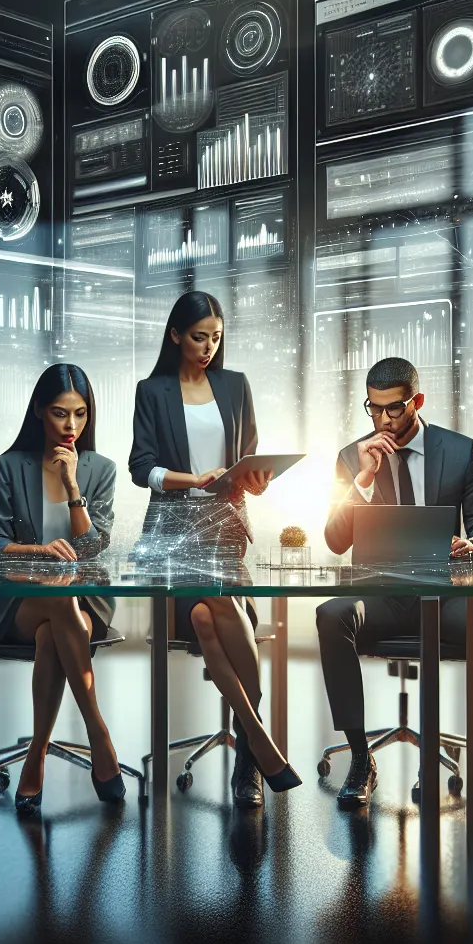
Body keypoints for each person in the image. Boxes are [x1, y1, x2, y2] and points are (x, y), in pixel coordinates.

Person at [128, 290, 298, 805]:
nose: (208, 347)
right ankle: (258, 746)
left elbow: (247, 459)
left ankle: (251, 750)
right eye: (199, 337)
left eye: (217, 337)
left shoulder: (234, 385)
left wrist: (256, 478)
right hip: (172, 538)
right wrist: (190, 479)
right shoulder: (152, 390)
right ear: (175, 335)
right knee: (211, 606)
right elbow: (142, 468)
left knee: (205, 618)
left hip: (226, 531)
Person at [316, 357, 473, 809]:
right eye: (374, 408)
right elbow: (336, 539)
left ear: (417, 402)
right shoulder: (352, 457)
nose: (384, 418)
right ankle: (361, 757)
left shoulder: (459, 452)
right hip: (384, 594)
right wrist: (362, 479)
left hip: (445, 592)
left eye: (395, 409)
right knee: (330, 614)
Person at [0, 364, 124, 811]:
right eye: (60, 413)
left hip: (84, 604)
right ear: (39, 411)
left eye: (80, 414)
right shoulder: (11, 465)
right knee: (56, 604)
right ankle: (99, 733)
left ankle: (36, 752)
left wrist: (73, 485)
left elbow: (93, 548)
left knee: (54, 625)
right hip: (18, 600)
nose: (71, 426)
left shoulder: (101, 469)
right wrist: (39, 551)